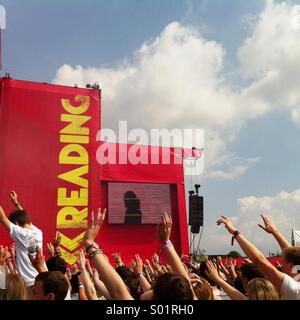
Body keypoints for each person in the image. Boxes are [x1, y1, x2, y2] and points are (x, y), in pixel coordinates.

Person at [217, 215, 300, 300]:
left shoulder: (294, 289)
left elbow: (259, 259)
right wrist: (275, 232)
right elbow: (294, 255)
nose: (281, 266)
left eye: (283, 262)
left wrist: (234, 232)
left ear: (290, 266)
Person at [0, 191, 43, 286]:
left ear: (16, 224)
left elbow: (2, 218)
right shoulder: (37, 232)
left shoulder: (22, 234)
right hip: (41, 278)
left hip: (30, 284)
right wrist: (16, 203)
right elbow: (27, 219)